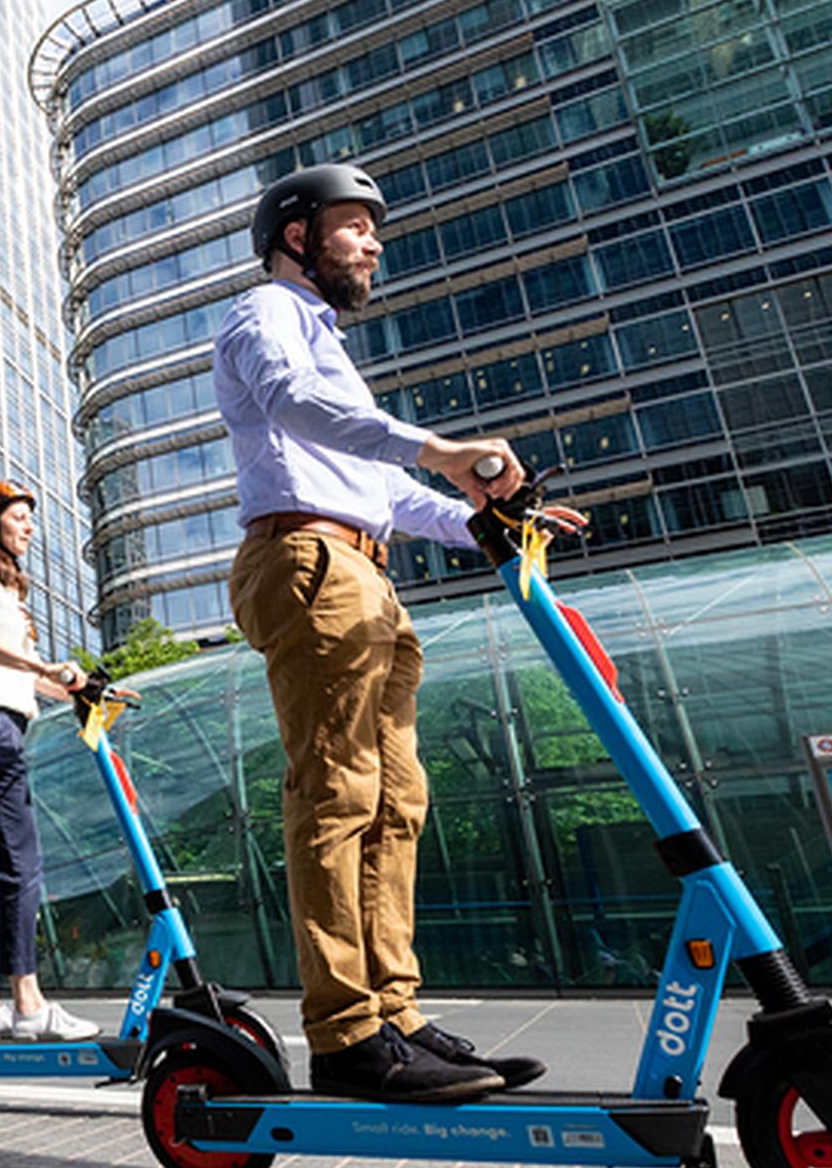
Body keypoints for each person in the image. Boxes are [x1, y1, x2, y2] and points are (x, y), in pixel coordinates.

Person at [217, 162, 583, 1102]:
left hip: (362, 570)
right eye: (352, 226)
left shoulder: (331, 350)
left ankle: (394, 1013)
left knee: (395, 800)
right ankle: (343, 1035)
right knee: (336, 792)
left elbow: (383, 493)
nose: (372, 242)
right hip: (307, 563)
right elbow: (298, 408)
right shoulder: (265, 318)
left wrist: (486, 522)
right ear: (296, 235)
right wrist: (441, 448)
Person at [0, 481, 99, 1044]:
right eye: (19, 517)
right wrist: (46, 665)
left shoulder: (7, 590)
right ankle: (28, 1002)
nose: (29, 527)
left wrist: (74, 689)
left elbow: (23, 675)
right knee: (20, 862)